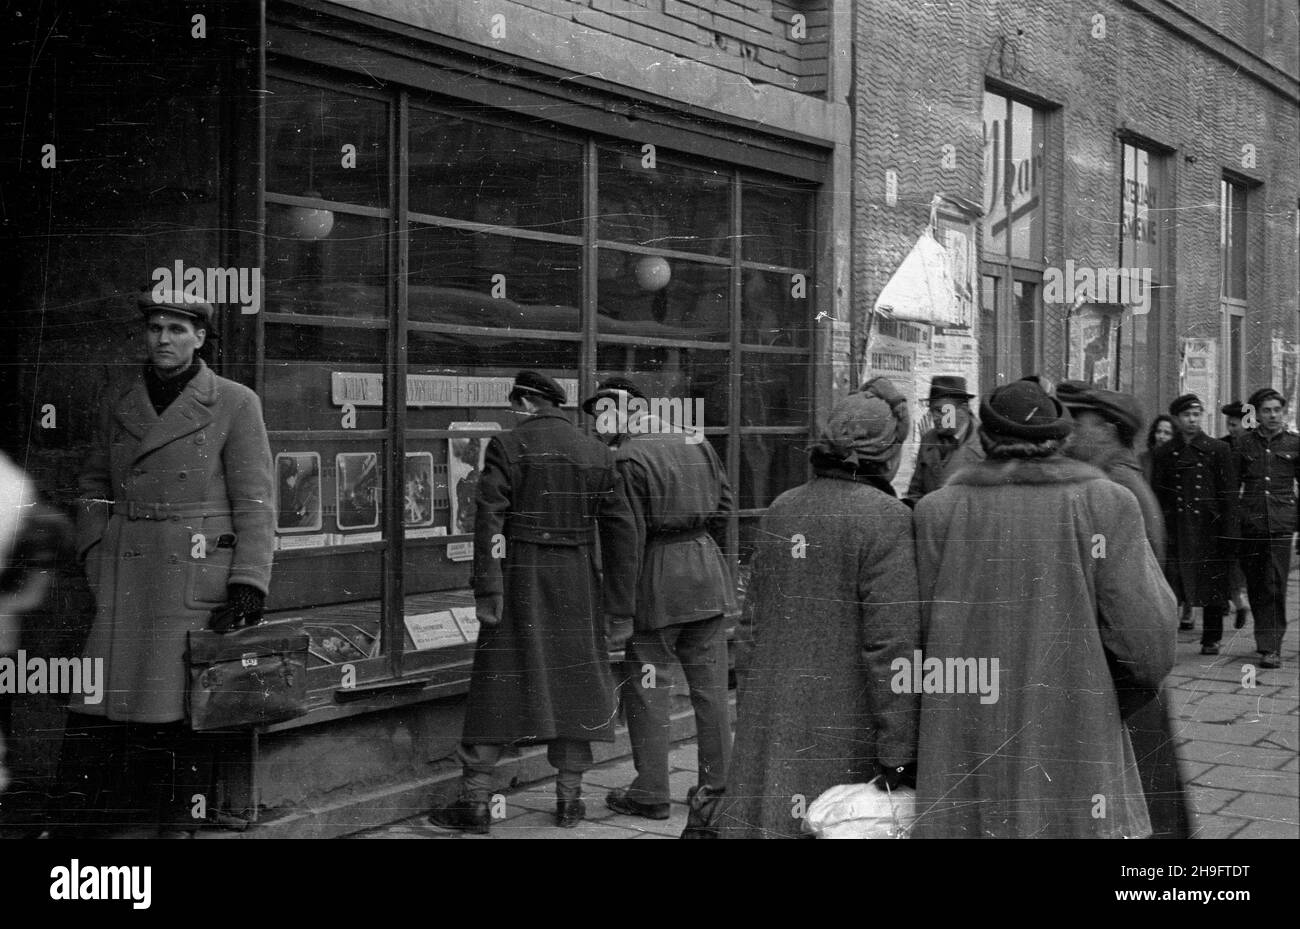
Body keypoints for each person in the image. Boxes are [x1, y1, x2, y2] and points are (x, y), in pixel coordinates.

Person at [912, 379, 1175, 838]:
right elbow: (1147, 642)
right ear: (1061, 438)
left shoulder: (937, 511)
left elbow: (917, 630)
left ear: (986, 438)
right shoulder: (1106, 502)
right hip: (1076, 727)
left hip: (965, 733)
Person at [62, 292, 275, 837]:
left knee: (176, 710)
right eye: (155, 328)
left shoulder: (234, 401)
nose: (163, 339)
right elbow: (91, 483)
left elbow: (255, 501)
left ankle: (175, 826)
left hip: (190, 573)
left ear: (200, 338)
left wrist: (248, 582)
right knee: (102, 704)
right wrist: (95, 548)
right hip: (124, 570)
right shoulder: (121, 400)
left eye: (177, 330)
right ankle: (102, 831)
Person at [427, 371, 638, 833]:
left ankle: (476, 803)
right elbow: (622, 533)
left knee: (496, 686)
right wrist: (620, 607)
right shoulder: (597, 452)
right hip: (578, 581)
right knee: (576, 685)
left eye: (514, 404)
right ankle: (569, 803)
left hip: (520, 576)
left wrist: (490, 587)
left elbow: (490, 519)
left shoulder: (508, 445)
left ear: (524, 401)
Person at [713, 378, 921, 839]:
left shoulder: (784, 507)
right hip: (845, 727)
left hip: (774, 720)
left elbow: (750, 625)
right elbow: (892, 645)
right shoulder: (887, 519)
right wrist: (899, 749)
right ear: (888, 455)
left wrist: (752, 709)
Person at [581, 376, 737, 823]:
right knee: (710, 691)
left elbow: (624, 539)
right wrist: (699, 547)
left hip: (656, 581)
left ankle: (650, 791)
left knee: (650, 689)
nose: (597, 425)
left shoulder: (628, 457)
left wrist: (619, 609)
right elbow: (724, 506)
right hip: (706, 576)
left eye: (604, 414)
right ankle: (719, 787)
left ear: (631, 411)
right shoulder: (694, 440)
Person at [1056, 381, 1191, 839]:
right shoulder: (1115, 482)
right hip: (1127, 666)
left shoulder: (1116, 489)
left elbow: (1134, 602)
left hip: (1122, 671)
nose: (1069, 434)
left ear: (1110, 429)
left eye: (1079, 424)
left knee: (1137, 799)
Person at [1151, 394, 1238, 654]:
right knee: (1172, 584)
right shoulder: (1165, 452)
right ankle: (1168, 636)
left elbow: (1228, 495)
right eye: (1187, 415)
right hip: (1177, 527)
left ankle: (1211, 638)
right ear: (1177, 419)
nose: (1192, 419)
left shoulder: (1217, 449)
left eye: (1196, 414)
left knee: (1212, 583)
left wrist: (1230, 532)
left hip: (1209, 527)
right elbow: (1158, 493)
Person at [1231, 387, 1296, 669]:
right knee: (1257, 583)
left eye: (1277, 410)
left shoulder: (1295, 444)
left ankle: (1272, 647)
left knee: (1275, 583)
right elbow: (1232, 487)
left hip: (1281, 523)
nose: (1273, 415)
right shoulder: (1244, 444)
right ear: (1256, 415)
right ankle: (1264, 638)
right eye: (1267, 410)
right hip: (1251, 522)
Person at [903, 375, 984, 507]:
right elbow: (915, 492)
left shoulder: (983, 442)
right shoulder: (928, 439)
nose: (934, 417)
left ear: (962, 409)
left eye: (941, 411)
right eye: (932, 411)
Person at [1218, 401, 1252, 630]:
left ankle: (1239, 599)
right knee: (1226, 559)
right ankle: (1235, 600)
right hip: (1226, 512)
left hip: (1249, 513)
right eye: (1229, 425)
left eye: (1235, 425)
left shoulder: (1254, 446)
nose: (1232, 429)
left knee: (1240, 561)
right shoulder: (1222, 446)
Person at [1140, 414, 1175, 484]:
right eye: (1158, 431)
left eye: (1167, 433)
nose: (1161, 436)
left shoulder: (1179, 461)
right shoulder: (1143, 459)